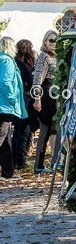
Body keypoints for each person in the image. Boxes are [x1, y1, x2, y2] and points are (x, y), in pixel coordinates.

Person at [0, 37, 28, 180]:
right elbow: (5, 81)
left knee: (5, 140)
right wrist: (12, 99)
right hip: (4, 106)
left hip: (3, 105)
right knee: (1, 137)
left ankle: (8, 171)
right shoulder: (7, 61)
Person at [32, 30, 58, 175]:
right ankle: (38, 165)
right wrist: (37, 99)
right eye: (51, 40)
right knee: (45, 131)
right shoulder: (43, 56)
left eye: (55, 40)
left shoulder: (56, 56)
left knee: (54, 131)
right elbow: (37, 79)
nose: (53, 43)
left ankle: (53, 161)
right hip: (46, 96)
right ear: (45, 41)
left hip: (56, 96)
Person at [11, 40, 38, 170]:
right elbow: (31, 81)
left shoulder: (15, 63)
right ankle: (20, 161)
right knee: (24, 131)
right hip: (26, 99)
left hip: (18, 98)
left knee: (17, 131)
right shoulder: (25, 65)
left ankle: (15, 159)